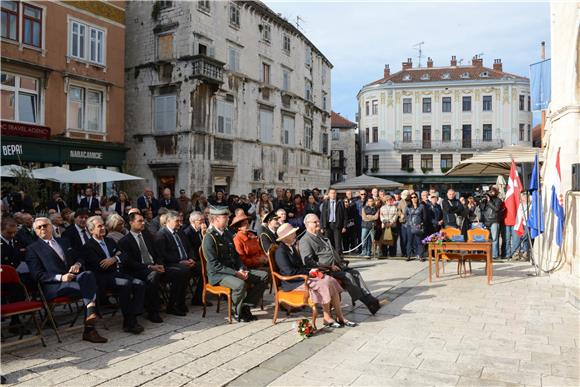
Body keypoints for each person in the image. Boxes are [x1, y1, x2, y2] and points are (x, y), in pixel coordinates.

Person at [26, 217, 107, 343]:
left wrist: (77, 264)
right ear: (35, 231)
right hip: (54, 286)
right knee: (90, 288)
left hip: (73, 279)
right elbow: (36, 275)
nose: (43, 228)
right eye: (39, 227)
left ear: (51, 227)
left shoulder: (64, 241)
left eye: (45, 225)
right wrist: (60, 277)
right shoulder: (32, 248)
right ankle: (90, 327)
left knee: (88, 275)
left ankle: (90, 315)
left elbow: (80, 257)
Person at [275, 223, 356, 328]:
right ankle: (327, 317)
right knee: (324, 283)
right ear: (285, 237)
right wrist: (308, 273)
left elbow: (299, 266)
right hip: (292, 283)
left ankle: (340, 316)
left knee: (329, 280)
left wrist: (311, 271)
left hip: (300, 278)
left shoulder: (291, 247)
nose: (295, 234)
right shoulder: (280, 251)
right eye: (292, 233)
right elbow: (288, 272)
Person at [299, 214, 381, 314]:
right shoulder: (305, 240)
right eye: (315, 222)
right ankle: (369, 302)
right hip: (325, 271)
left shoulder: (319, 235)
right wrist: (329, 267)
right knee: (347, 276)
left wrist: (339, 262)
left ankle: (369, 298)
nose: (318, 223)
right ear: (307, 224)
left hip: (337, 266)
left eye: (318, 221)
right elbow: (308, 262)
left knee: (355, 273)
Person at [202, 206, 269, 322]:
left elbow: (236, 256)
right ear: (216, 219)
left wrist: (242, 268)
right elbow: (214, 265)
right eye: (225, 217)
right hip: (219, 275)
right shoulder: (210, 237)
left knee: (264, 276)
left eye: (227, 216)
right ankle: (236, 312)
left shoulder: (227, 234)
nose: (228, 218)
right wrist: (236, 273)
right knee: (239, 284)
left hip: (234, 271)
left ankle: (245, 306)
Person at [118, 212, 187, 323]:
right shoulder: (125, 241)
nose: (143, 223)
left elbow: (157, 253)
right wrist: (150, 267)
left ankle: (172, 305)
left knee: (179, 272)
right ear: (131, 223)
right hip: (139, 270)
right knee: (153, 275)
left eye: (143, 220)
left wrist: (159, 264)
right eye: (139, 221)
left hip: (155, 266)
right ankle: (153, 311)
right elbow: (130, 263)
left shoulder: (147, 236)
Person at [83, 216, 145, 334]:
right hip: (102, 278)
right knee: (125, 284)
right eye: (99, 226)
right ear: (91, 230)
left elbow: (124, 255)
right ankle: (129, 322)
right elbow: (100, 266)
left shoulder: (109, 241)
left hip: (115, 274)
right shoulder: (88, 246)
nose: (103, 228)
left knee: (139, 283)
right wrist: (116, 257)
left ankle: (133, 314)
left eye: (103, 225)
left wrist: (114, 258)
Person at [154, 211, 196, 313]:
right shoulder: (161, 234)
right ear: (168, 221)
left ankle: (194, 299)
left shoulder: (180, 232)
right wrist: (180, 261)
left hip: (184, 262)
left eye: (180, 221)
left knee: (204, 266)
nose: (180, 224)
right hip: (169, 265)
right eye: (177, 221)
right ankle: (173, 305)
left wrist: (191, 258)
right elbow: (163, 255)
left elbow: (189, 247)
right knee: (183, 271)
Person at [320, 188, 346, 255]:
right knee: (328, 243)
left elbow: (345, 215)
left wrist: (344, 226)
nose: (333, 194)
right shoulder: (325, 203)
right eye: (331, 193)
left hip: (337, 225)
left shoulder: (340, 202)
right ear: (328, 194)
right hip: (328, 225)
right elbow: (322, 215)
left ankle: (338, 259)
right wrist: (321, 227)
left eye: (334, 193)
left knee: (338, 244)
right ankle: (329, 258)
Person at [480, 187, 503, 259]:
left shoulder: (498, 200)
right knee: (486, 239)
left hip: (494, 220)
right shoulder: (485, 200)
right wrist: (483, 201)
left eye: (492, 192)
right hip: (486, 221)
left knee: (494, 239)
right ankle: (487, 253)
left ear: (495, 192)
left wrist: (489, 201)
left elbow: (496, 209)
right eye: (490, 192)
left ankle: (495, 255)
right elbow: (481, 208)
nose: (491, 193)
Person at [405, 193, 427, 261]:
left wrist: (421, 223)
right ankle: (408, 256)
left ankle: (421, 256)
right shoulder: (408, 207)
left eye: (415, 197)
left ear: (417, 198)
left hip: (418, 226)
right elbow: (406, 216)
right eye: (412, 197)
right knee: (409, 241)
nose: (413, 199)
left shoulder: (421, 206)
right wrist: (409, 223)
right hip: (410, 226)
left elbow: (424, 217)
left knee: (419, 241)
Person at [397, 190, 409, 257]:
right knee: (403, 238)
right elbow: (398, 209)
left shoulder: (411, 200)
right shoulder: (401, 201)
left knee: (409, 238)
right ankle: (403, 252)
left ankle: (409, 251)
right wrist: (400, 214)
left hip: (410, 221)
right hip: (403, 222)